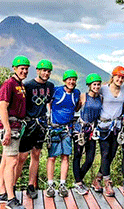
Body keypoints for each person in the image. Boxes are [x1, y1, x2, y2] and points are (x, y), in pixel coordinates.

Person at [14, 59, 54, 199]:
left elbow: (49, 103)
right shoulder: (28, 85)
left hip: (41, 124)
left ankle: (31, 185)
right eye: (43, 70)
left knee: (36, 154)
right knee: (22, 157)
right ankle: (11, 185)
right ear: (37, 70)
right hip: (29, 123)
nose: (46, 73)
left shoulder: (50, 86)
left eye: (48, 71)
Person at [0, 55, 29, 209]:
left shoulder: (20, 85)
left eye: (26, 69)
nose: (24, 71)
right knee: (12, 161)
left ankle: (2, 192)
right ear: (14, 68)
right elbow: (3, 106)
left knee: (6, 160)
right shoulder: (9, 84)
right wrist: (7, 130)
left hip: (16, 126)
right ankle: (10, 198)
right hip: (11, 127)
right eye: (22, 68)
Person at [91, 66, 124, 197]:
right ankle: (107, 182)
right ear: (113, 76)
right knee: (105, 153)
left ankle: (97, 179)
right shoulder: (103, 89)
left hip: (117, 126)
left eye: (122, 77)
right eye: (118, 76)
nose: (120, 79)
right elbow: (91, 96)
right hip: (104, 125)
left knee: (111, 154)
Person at [46, 69, 80, 198]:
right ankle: (50, 184)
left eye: (73, 80)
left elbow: (76, 107)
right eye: (69, 79)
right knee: (52, 157)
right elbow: (48, 103)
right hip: (54, 128)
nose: (71, 82)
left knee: (65, 156)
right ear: (65, 80)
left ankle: (62, 184)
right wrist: (51, 116)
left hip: (67, 128)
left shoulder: (76, 93)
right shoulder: (57, 91)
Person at [72, 73, 103, 195]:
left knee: (90, 158)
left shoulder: (100, 98)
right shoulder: (83, 96)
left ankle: (78, 179)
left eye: (98, 84)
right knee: (77, 156)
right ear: (89, 85)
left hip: (92, 130)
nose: (96, 86)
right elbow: (76, 109)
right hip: (80, 129)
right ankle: (79, 182)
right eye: (94, 84)